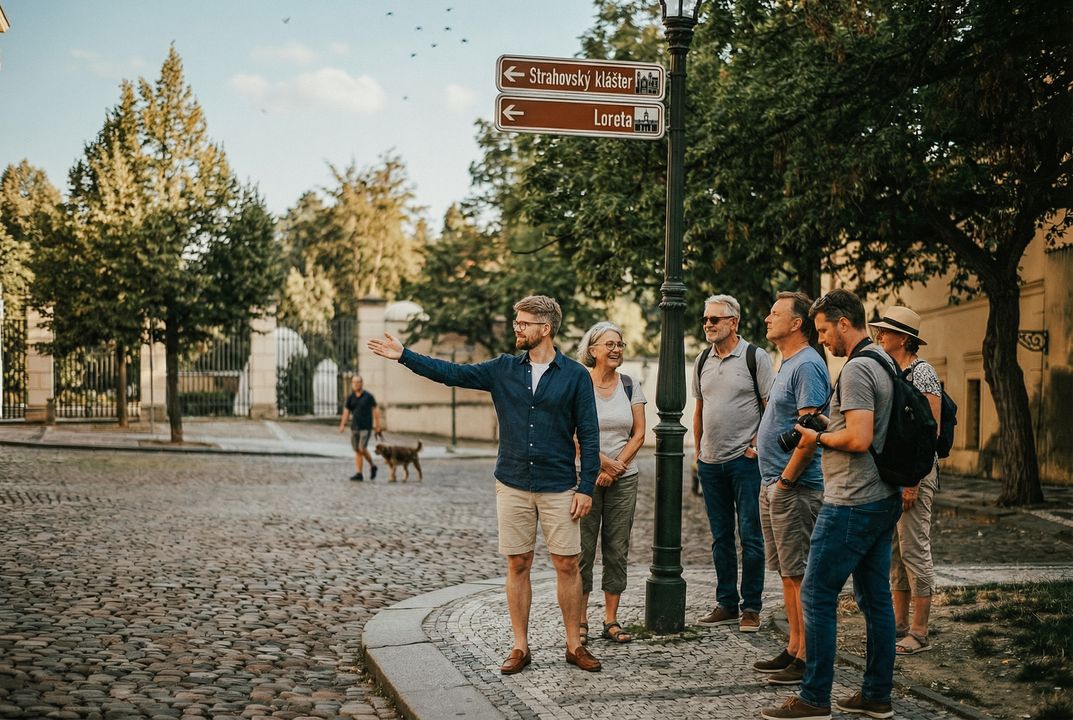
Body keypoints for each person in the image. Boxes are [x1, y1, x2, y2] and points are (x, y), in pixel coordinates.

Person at [367, 295, 603, 674]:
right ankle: (520, 646)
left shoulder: (575, 375)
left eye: (524, 323)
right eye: (517, 322)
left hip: (559, 484)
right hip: (512, 482)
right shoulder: (503, 369)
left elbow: (589, 435)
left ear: (545, 328)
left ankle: (574, 645)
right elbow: (452, 373)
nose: (517, 328)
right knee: (518, 563)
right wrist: (405, 356)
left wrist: (586, 487)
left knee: (567, 564)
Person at [761, 288, 902, 720]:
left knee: (817, 593)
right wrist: (828, 422)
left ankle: (814, 697)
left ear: (844, 322)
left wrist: (817, 436)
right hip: (882, 496)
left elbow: (858, 439)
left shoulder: (858, 368)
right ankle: (876, 695)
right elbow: (864, 428)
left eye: (824, 330)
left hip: (851, 501)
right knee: (875, 599)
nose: (821, 339)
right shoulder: (883, 361)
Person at [754, 292, 831, 686]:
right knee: (787, 573)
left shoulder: (808, 365)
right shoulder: (787, 363)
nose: (768, 318)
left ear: (797, 323)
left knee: (800, 575)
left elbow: (811, 431)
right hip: (773, 482)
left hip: (795, 488)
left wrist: (786, 481)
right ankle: (793, 646)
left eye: (775, 313)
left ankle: (806, 658)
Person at [692, 294, 774, 633]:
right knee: (720, 537)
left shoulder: (756, 357)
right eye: (705, 319)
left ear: (733, 322)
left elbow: (771, 407)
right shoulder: (702, 360)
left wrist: (755, 446)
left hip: (745, 463)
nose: (708, 325)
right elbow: (700, 409)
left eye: (715, 319)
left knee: (751, 536)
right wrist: (698, 453)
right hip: (710, 463)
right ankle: (726, 602)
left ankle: (751, 607)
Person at [870, 306, 942, 656]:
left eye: (885, 332)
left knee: (914, 549)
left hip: (916, 475)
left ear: (903, 338)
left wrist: (913, 482)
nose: (879, 336)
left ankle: (919, 631)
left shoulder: (923, 372)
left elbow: (930, 433)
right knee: (897, 552)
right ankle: (898, 626)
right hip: (895, 476)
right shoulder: (891, 370)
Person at [576, 321, 647, 645]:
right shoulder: (579, 384)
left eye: (619, 344)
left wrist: (616, 469)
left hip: (624, 477)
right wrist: (603, 464)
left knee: (617, 549)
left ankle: (611, 619)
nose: (617, 349)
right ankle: (580, 621)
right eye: (610, 344)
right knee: (582, 551)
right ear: (593, 350)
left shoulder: (630, 385)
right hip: (585, 478)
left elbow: (639, 433)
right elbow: (573, 434)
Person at [338, 375, 382, 482]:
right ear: (352, 384)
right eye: (354, 382)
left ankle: (371, 466)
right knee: (357, 450)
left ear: (361, 383)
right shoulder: (350, 397)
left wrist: (378, 426)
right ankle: (360, 473)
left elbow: (376, 410)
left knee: (362, 448)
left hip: (366, 427)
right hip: (354, 427)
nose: (356, 384)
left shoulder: (368, 396)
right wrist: (342, 424)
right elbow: (346, 412)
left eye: (358, 382)